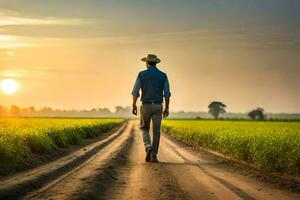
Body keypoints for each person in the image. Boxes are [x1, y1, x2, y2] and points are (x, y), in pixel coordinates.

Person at [131, 54, 171, 162]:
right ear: (156, 63)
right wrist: (167, 108)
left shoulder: (141, 74)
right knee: (156, 131)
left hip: (146, 105)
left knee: (144, 128)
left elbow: (135, 91)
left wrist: (134, 104)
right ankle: (154, 155)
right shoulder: (163, 75)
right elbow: (167, 94)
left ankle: (148, 147)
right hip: (158, 106)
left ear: (147, 63)